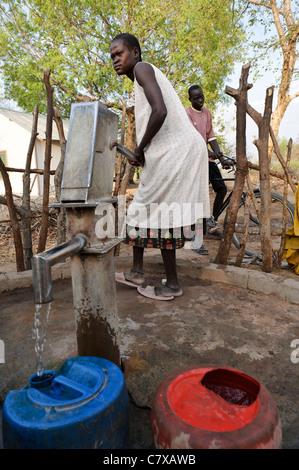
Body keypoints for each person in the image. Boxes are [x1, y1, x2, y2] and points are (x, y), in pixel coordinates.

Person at [110, 33, 210, 300]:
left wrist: (140, 149)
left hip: (180, 153)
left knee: (167, 214)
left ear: (135, 51)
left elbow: (160, 111)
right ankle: (137, 271)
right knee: (143, 206)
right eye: (112, 57)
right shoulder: (139, 81)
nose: (115, 60)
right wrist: (144, 153)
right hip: (173, 152)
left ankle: (172, 284)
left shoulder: (143, 68)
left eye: (119, 54)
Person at [186, 85, 232, 254]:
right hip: (194, 160)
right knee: (198, 197)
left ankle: (210, 222)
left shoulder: (207, 113)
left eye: (201, 97)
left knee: (221, 188)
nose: (200, 100)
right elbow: (193, 139)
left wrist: (220, 157)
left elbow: (211, 137)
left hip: (208, 159)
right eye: (196, 98)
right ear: (190, 99)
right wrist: (209, 153)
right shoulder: (187, 113)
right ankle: (194, 237)